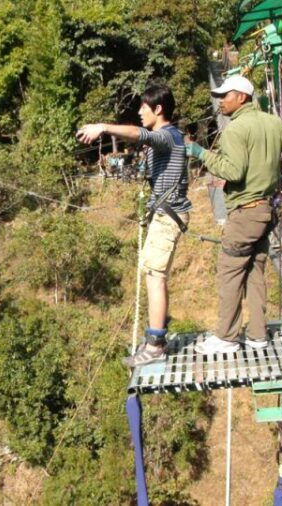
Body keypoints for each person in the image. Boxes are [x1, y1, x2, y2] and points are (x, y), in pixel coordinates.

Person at [185, 75, 282, 354]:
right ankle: (257, 334)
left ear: (241, 97)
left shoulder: (234, 130)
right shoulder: (272, 122)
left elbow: (233, 171)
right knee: (255, 273)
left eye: (225, 96)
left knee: (230, 273)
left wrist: (200, 153)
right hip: (267, 211)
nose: (220, 102)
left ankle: (227, 337)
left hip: (245, 213)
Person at [76, 84, 190, 367]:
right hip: (164, 214)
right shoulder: (165, 140)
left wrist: (103, 127)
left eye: (143, 107)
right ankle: (157, 334)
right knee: (154, 275)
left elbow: (140, 134)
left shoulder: (168, 136)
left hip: (168, 216)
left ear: (158, 109)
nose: (139, 112)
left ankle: (155, 344)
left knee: (155, 276)